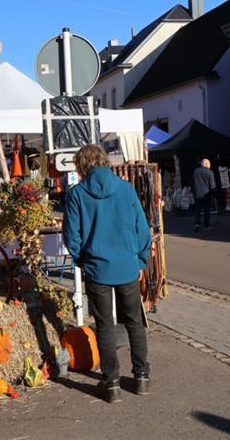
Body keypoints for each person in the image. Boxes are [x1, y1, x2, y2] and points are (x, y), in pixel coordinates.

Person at [62, 144, 151, 403]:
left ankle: (111, 382)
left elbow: (72, 235)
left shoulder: (77, 194)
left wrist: (82, 259)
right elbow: (142, 228)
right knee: (135, 321)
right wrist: (140, 259)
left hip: (97, 267)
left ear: (81, 166)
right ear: (104, 161)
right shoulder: (125, 188)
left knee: (105, 325)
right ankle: (142, 377)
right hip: (127, 265)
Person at [193, 158, 216, 232]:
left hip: (197, 194)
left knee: (198, 210)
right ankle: (206, 225)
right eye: (209, 163)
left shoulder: (196, 171)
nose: (210, 165)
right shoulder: (210, 172)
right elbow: (212, 185)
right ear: (206, 164)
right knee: (206, 210)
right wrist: (213, 194)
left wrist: (194, 192)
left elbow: (192, 182)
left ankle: (197, 224)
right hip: (207, 194)